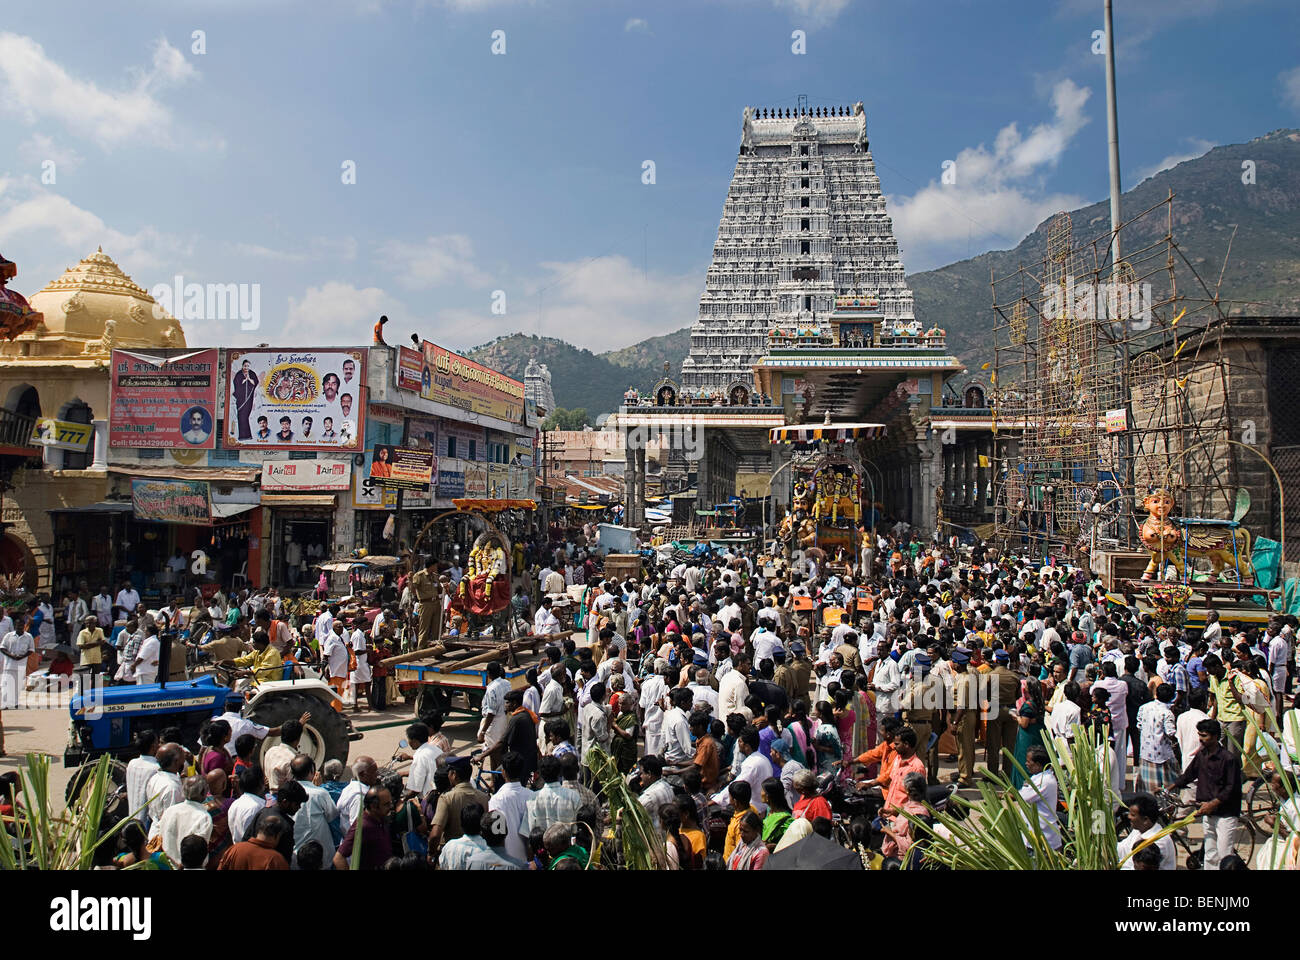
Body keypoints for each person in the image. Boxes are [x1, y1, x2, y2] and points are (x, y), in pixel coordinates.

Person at [1169, 718, 1244, 871]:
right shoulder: (1202, 755)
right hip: (1207, 813)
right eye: (1200, 735)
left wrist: (1213, 803)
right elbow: (1189, 774)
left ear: (1215, 736)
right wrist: (1171, 786)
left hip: (1225, 814)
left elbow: (1231, 789)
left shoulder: (1228, 759)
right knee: (1210, 853)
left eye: (1204, 736)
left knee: (1224, 853)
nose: (1201, 739)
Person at [156, 775, 213, 866]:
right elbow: (198, 851)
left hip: (167, 865)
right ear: (203, 792)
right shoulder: (204, 817)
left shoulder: (170, 811)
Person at [333, 787, 394, 870]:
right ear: (373, 806)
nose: (391, 806)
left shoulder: (381, 819)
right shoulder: (362, 827)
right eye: (386, 804)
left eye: (390, 802)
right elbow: (338, 858)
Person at [1117, 792, 1176, 870]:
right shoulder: (1139, 830)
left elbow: (1135, 867)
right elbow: (1123, 849)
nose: (1129, 817)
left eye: (1133, 815)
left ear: (1145, 820)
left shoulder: (1157, 842)